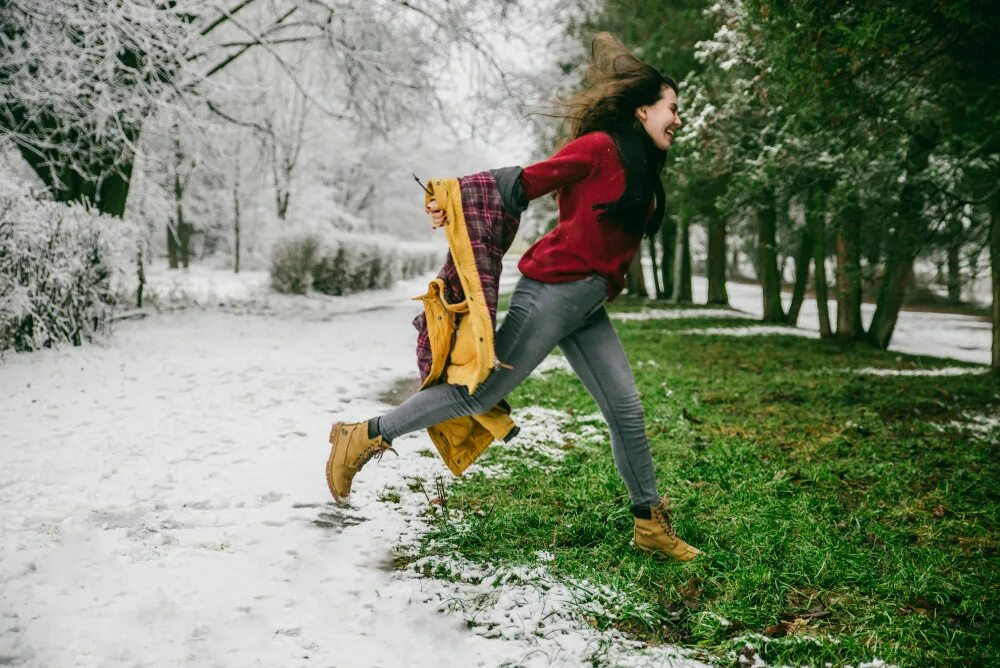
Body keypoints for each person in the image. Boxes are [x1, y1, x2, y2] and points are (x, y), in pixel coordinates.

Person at [326, 33, 702, 561]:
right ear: (642, 111)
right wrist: (451, 200)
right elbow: (526, 181)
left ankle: (649, 525)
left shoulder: (638, 161)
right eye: (672, 108)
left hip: (586, 301)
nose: (678, 119)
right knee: (478, 392)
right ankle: (362, 434)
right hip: (554, 290)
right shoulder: (599, 147)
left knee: (627, 410)